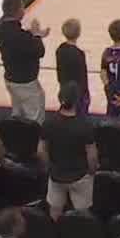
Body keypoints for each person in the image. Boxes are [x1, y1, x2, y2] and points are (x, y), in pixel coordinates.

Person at [42, 82, 98, 219]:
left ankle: (55, 231)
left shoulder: (49, 122)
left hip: (56, 175)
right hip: (80, 176)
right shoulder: (85, 125)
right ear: (77, 101)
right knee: (82, 213)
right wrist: (91, 172)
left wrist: (49, 167)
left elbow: (41, 150)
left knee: (55, 209)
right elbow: (92, 156)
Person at [0, 0, 50, 122]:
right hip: (25, 83)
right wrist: (36, 34)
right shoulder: (20, 36)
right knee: (35, 118)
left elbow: (18, 40)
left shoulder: (1, 30)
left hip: (11, 78)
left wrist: (33, 34)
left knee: (18, 114)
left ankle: (16, 133)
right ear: (18, 11)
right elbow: (40, 51)